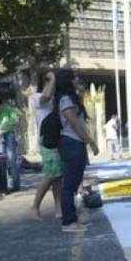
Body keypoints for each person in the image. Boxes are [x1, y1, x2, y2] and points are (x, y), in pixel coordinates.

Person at [54, 69, 99, 232]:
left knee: (73, 183)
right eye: (74, 78)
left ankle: (72, 218)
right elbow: (74, 124)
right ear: (68, 81)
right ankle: (68, 222)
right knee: (70, 184)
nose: (76, 80)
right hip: (71, 142)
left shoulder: (71, 98)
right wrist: (91, 142)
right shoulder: (65, 99)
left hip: (75, 143)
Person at [30, 71, 62, 220]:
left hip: (55, 138)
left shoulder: (55, 99)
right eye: (50, 82)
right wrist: (52, 78)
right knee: (50, 175)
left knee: (57, 177)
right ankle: (35, 207)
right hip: (47, 140)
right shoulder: (36, 98)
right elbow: (47, 96)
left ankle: (58, 208)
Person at [0, 93, 21, 192]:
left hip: (9, 135)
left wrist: (5, 125)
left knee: (11, 160)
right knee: (1, 162)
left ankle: (16, 185)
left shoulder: (8, 110)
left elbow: (16, 120)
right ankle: (3, 186)